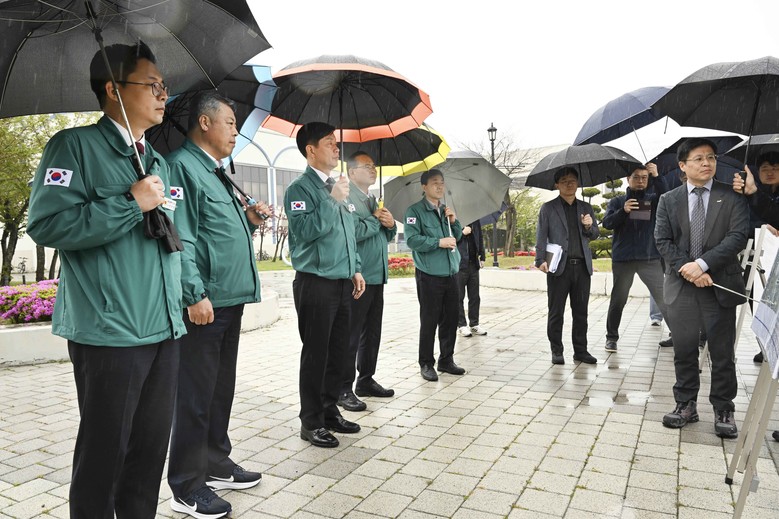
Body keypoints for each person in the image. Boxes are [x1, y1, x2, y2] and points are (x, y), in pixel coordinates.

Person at [26, 42, 186, 518]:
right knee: (104, 454)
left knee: (148, 453)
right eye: (152, 85)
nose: (163, 95)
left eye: (164, 86)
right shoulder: (73, 147)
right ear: (114, 90)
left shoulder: (156, 160)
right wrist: (129, 203)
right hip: (110, 331)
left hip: (163, 328)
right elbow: (48, 225)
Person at [166, 92, 269, 518]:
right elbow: (181, 235)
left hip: (229, 299)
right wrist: (193, 293)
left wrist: (251, 220)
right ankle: (187, 485)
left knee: (219, 389)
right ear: (205, 122)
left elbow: (216, 230)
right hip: (206, 302)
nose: (235, 132)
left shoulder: (216, 171)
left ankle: (215, 461)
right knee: (194, 394)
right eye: (230, 123)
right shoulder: (182, 167)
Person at [655, 138, 748, 439]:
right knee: (684, 349)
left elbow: (738, 236)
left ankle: (724, 408)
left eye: (711, 157)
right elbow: (662, 240)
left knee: (722, 352)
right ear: (682, 166)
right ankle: (685, 404)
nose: (706, 163)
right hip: (683, 285)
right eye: (698, 158)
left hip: (718, 284)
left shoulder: (731, 196)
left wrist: (704, 264)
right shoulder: (668, 199)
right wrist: (690, 269)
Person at [285, 122, 366, 449]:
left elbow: (348, 235)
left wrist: (355, 268)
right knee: (316, 354)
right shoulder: (299, 190)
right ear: (311, 150)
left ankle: (330, 411)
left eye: (336, 143)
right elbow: (305, 232)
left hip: (342, 282)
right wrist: (332, 200)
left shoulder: (338, 186)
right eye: (329, 143)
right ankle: (311, 422)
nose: (336, 148)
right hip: (315, 283)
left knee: (338, 352)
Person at [337, 151, 397, 412]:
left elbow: (384, 236)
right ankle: (343, 388)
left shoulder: (374, 200)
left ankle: (366, 379)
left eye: (374, 166)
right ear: (352, 172)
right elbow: (351, 233)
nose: (373, 170)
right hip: (358, 277)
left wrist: (390, 224)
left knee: (372, 333)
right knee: (350, 335)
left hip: (377, 276)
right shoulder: (345, 197)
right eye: (367, 166)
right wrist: (374, 220)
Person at [404, 169, 466, 381]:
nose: (440, 186)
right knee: (429, 320)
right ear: (424, 187)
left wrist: (454, 221)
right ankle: (426, 363)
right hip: (429, 274)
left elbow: (456, 237)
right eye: (434, 183)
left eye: (441, 182)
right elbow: (412, 240)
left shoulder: (445, 211)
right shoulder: (415, 211)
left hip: (451, 273)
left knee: (451, 319)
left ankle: (446, 360)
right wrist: (438, 242)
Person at [535, 167, 600, 365]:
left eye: (572, 180)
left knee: (581, 312)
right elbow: (541, 235)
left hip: (582, 267)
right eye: (564, 181)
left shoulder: (586, 208)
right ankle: (557, 350)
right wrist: (540, 259)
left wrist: (589, 226)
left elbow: (595, 234)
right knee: (556, 311)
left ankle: (581, 350)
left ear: (578, 183)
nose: (569, 184)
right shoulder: (548, 208)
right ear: (557, 185)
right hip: (558, 268)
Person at [602, 163, 668, 352]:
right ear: (628, 179)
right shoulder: (617, 201)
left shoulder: (653, 199)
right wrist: (623, 211)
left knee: (664, 298)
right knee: (618, 299)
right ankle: (611, 338)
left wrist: (657, 177)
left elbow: (667, 197)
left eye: (644, 177)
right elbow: (607, 223)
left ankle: (678, 335)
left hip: (649, 258)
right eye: (636, 177)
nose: (640, 181)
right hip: (624, 259)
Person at [731, 152, 779, 364]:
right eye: (765, 168)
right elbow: (742, 223)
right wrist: (761, 226)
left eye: (775, 168)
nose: (770, 172)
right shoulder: (746, 193)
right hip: (756, 255)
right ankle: (764, 343)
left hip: (774, 257)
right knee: (756, 300)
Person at [456, 219, 488, 337]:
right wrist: (462, 233)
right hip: (459, 264)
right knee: (459, 296)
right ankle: (461, 325)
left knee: (475, 296)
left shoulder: (475, 220)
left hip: (473, 263)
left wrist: (482, 256)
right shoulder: (454, 220)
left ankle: (474, 324)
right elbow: (449, 239)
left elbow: (480, 238)